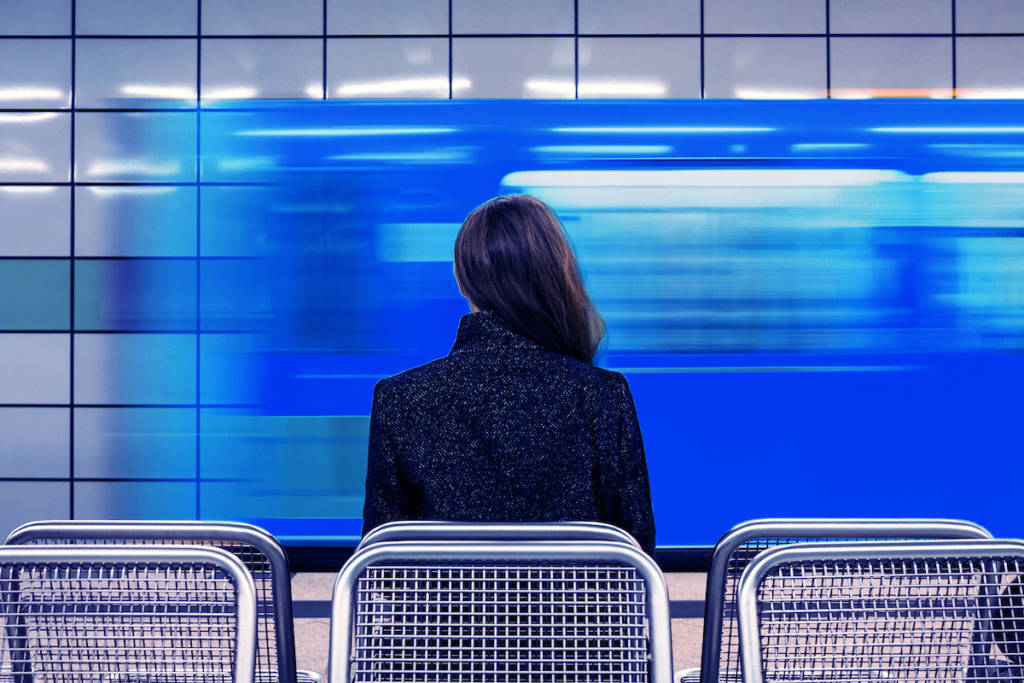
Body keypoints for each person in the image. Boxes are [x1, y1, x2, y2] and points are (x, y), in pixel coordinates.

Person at [360, 194, 655, 555]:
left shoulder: (400, 400)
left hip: (445, 612)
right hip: (572, 611)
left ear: (462, 281)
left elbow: (382, 559)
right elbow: (634, 550)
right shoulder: (603, 395)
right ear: (555, 275)